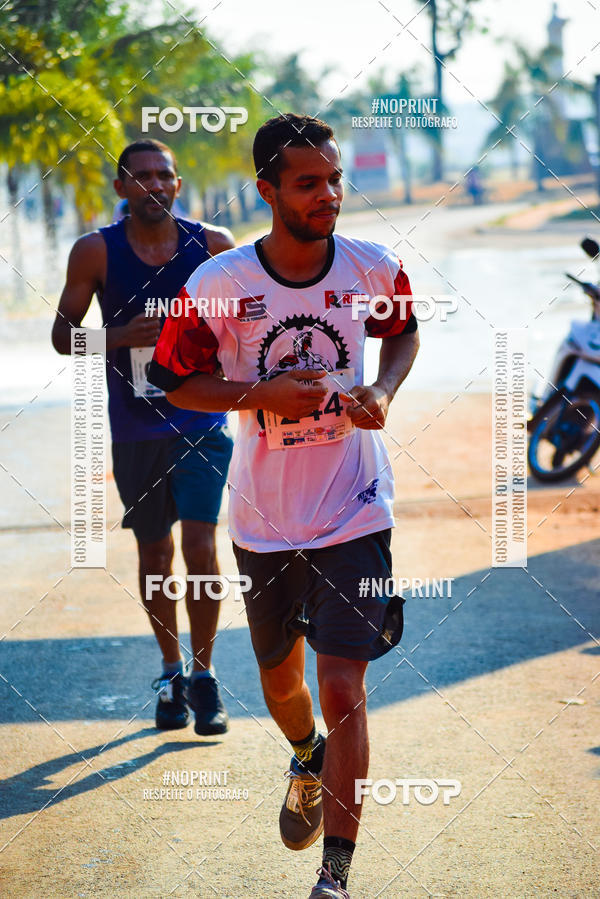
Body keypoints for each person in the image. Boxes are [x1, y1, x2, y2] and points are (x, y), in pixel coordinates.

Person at [148, 115, 419, 898]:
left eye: (335, 179)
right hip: (264, 518)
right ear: (267, 190)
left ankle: (335, 876)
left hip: (355, 507)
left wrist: (382, 389)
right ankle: (305, 754)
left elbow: (402, 335)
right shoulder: (219, 286)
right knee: (283, 684)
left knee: (343, 685)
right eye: (309, 182)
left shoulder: (374, 266)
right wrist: (255, 393)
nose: (329, 193)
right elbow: (174, 382)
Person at [51, 139, 235, 735]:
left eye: (165, 175)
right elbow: (62, 339)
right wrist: (120, 335)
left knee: (203, 548)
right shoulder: (95, 252)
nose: (154, 184)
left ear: (177, 185)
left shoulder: (212, 246)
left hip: (201, 423)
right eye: (141, 176)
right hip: (135, 428)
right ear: (122, 187)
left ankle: (205, 678)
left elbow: (247, 327)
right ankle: (170, 672)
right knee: (155, 552)